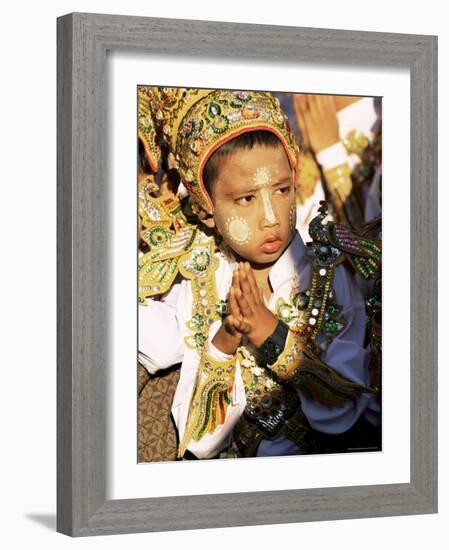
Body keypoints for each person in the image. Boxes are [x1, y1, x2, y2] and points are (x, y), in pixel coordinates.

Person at [138, 88, 381, 460]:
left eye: (282, 190)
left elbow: (345, 409)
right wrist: (226, 339)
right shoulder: (201, 280)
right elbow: (199, 440)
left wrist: (270, 334)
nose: (270, 217)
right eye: (246, 199)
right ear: (206, 210)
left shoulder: (328, 273)